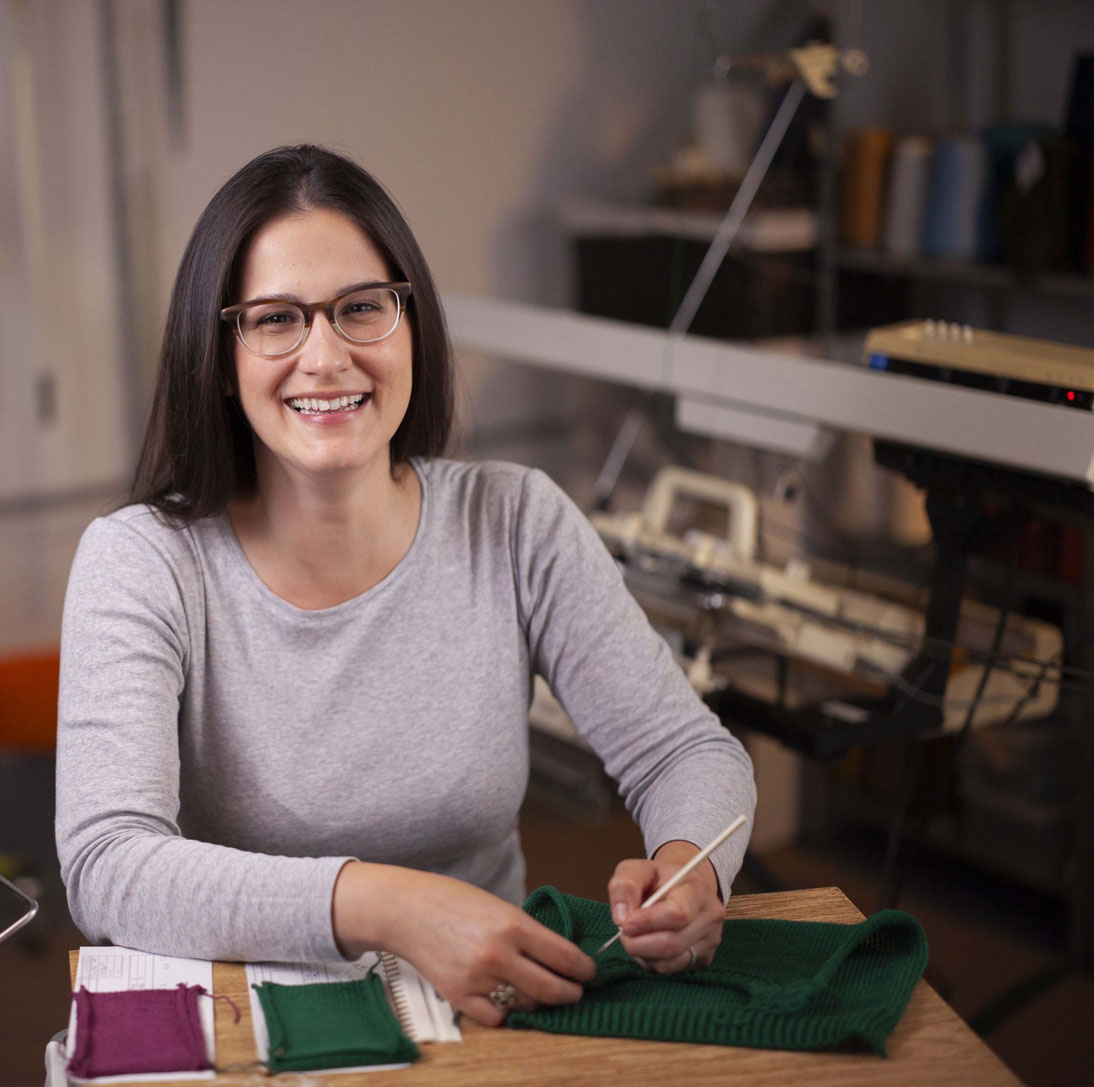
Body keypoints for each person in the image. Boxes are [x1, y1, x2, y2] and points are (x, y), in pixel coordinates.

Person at [56, 144, 756, 1026]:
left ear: (410, 323)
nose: (325, 355)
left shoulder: (515, 521)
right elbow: (108, 864)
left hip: (482, 1015)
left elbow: (685, 751)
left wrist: (692, 863)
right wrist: (385, 905)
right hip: (243, 1022)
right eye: (276, 319)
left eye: (360, 309)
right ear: (220, 353)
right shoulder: (142, 561)